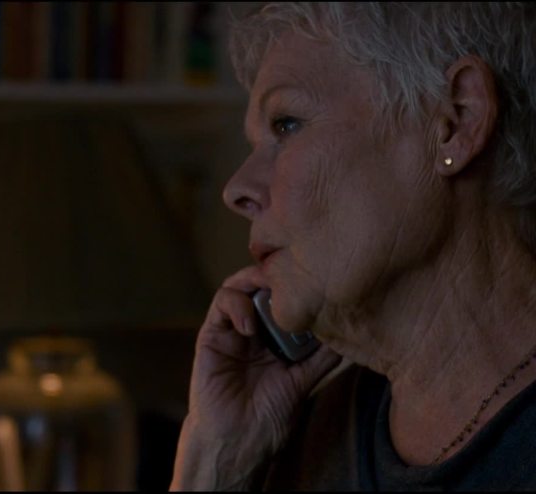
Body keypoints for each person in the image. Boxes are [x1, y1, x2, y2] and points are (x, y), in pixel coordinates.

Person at [170, 2, 536, 490]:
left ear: (456, 120)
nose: (237, 190)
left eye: (286, 124)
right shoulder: (295, 434)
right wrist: (215, 464)